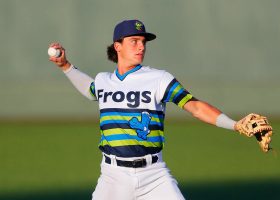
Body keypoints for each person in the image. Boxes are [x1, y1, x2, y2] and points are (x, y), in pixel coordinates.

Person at [48, 19, 251, 200]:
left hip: (154, 175)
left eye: (143, 42)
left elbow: (195, 106)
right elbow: (90, 90)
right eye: (134, 41)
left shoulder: (159, 79)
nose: (141, 47)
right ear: (117, 46)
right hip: (112, 176)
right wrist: (65, 65)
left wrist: (235, 125)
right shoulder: (103, 81)